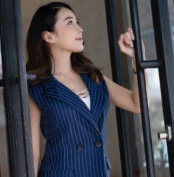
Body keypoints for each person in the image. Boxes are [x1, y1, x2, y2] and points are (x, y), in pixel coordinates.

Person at [26, 2, 143, 177]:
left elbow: (137, 104)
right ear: (49, 36)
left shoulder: (94, 78)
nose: (80, 29)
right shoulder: (37, 88)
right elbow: (32, 155)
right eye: (70, 22)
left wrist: (138, 58)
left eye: (77, 22)